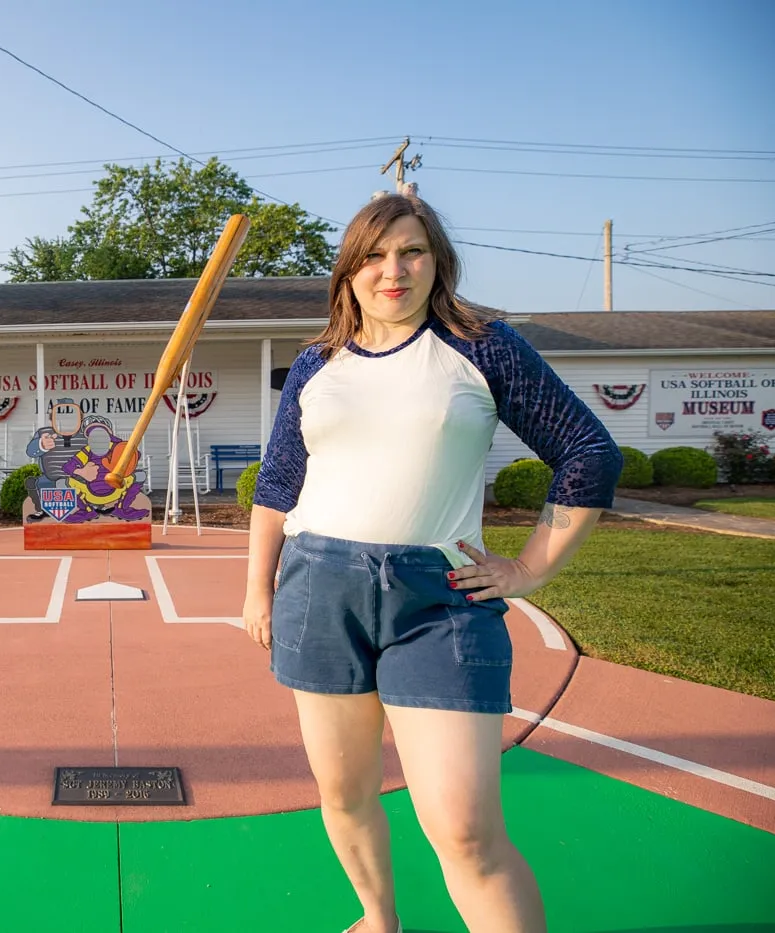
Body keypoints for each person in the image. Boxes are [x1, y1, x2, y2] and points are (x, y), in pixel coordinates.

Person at [242, 190, 622, 933]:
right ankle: (378, 917)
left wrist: (530, 569)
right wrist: (257, 589)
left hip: (438, 604)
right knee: (345, 791)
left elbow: (588, 452)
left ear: (436, 261)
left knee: (466, 831)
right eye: (375, 255)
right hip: (318, 590)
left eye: (411, 251)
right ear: (349, 271)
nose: (394, 270)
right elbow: (279, 482)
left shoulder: (483, 346)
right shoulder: (317, 362)